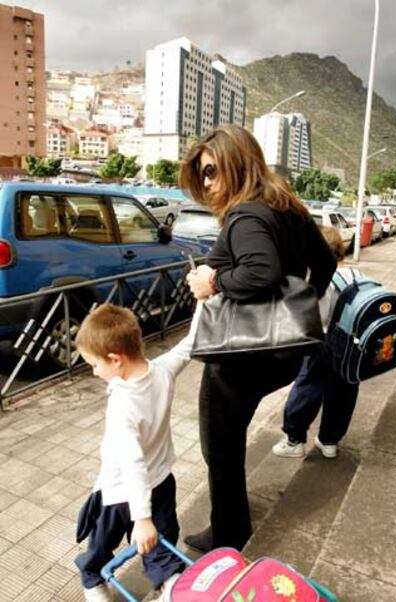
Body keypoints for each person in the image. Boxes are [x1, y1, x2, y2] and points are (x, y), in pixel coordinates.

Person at [180, 124, 337, 553]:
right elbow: (324, 264)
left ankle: (228, 533)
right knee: (230, 439)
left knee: (220, 445)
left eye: (211, 171)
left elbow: (258, 272)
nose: (207, 182)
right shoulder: (288, 207)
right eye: (203, 174)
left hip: (239, 358)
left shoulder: (246, 213)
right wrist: (299, 304)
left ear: (236, 162)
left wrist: (214, 284)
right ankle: (232, 518)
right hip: (282, 355)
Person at [74, 303, 200, 602]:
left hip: (127, 489)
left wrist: (141, 518)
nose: (94, 372)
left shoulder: (122, 405)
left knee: (157, 535)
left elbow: (133, 464)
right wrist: (205, 304)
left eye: (93, 364)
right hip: (138, 485)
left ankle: (169, 582)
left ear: (115, 359)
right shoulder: (162, 369)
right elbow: (190, 344)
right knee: (106, 542)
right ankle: (92, 578)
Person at [272, 226, 360, 460]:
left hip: (324, 345)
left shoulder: (325, 281)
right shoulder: (358, 275)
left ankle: (294, 440)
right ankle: (329, 441)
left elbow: (317, 319)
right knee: (343, 393)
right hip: (353, 347)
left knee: (307, 388)